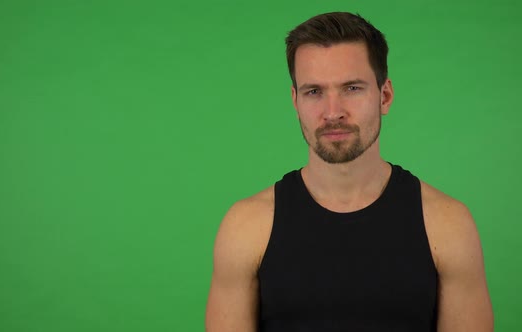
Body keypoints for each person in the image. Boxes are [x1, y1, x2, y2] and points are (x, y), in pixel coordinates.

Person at [205, 12, 493, 332]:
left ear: (384, 96)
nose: (333, 112)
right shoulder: (246, 227)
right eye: (314, 91)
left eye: (352, 88)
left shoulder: (448, 225)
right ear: (295, 101)